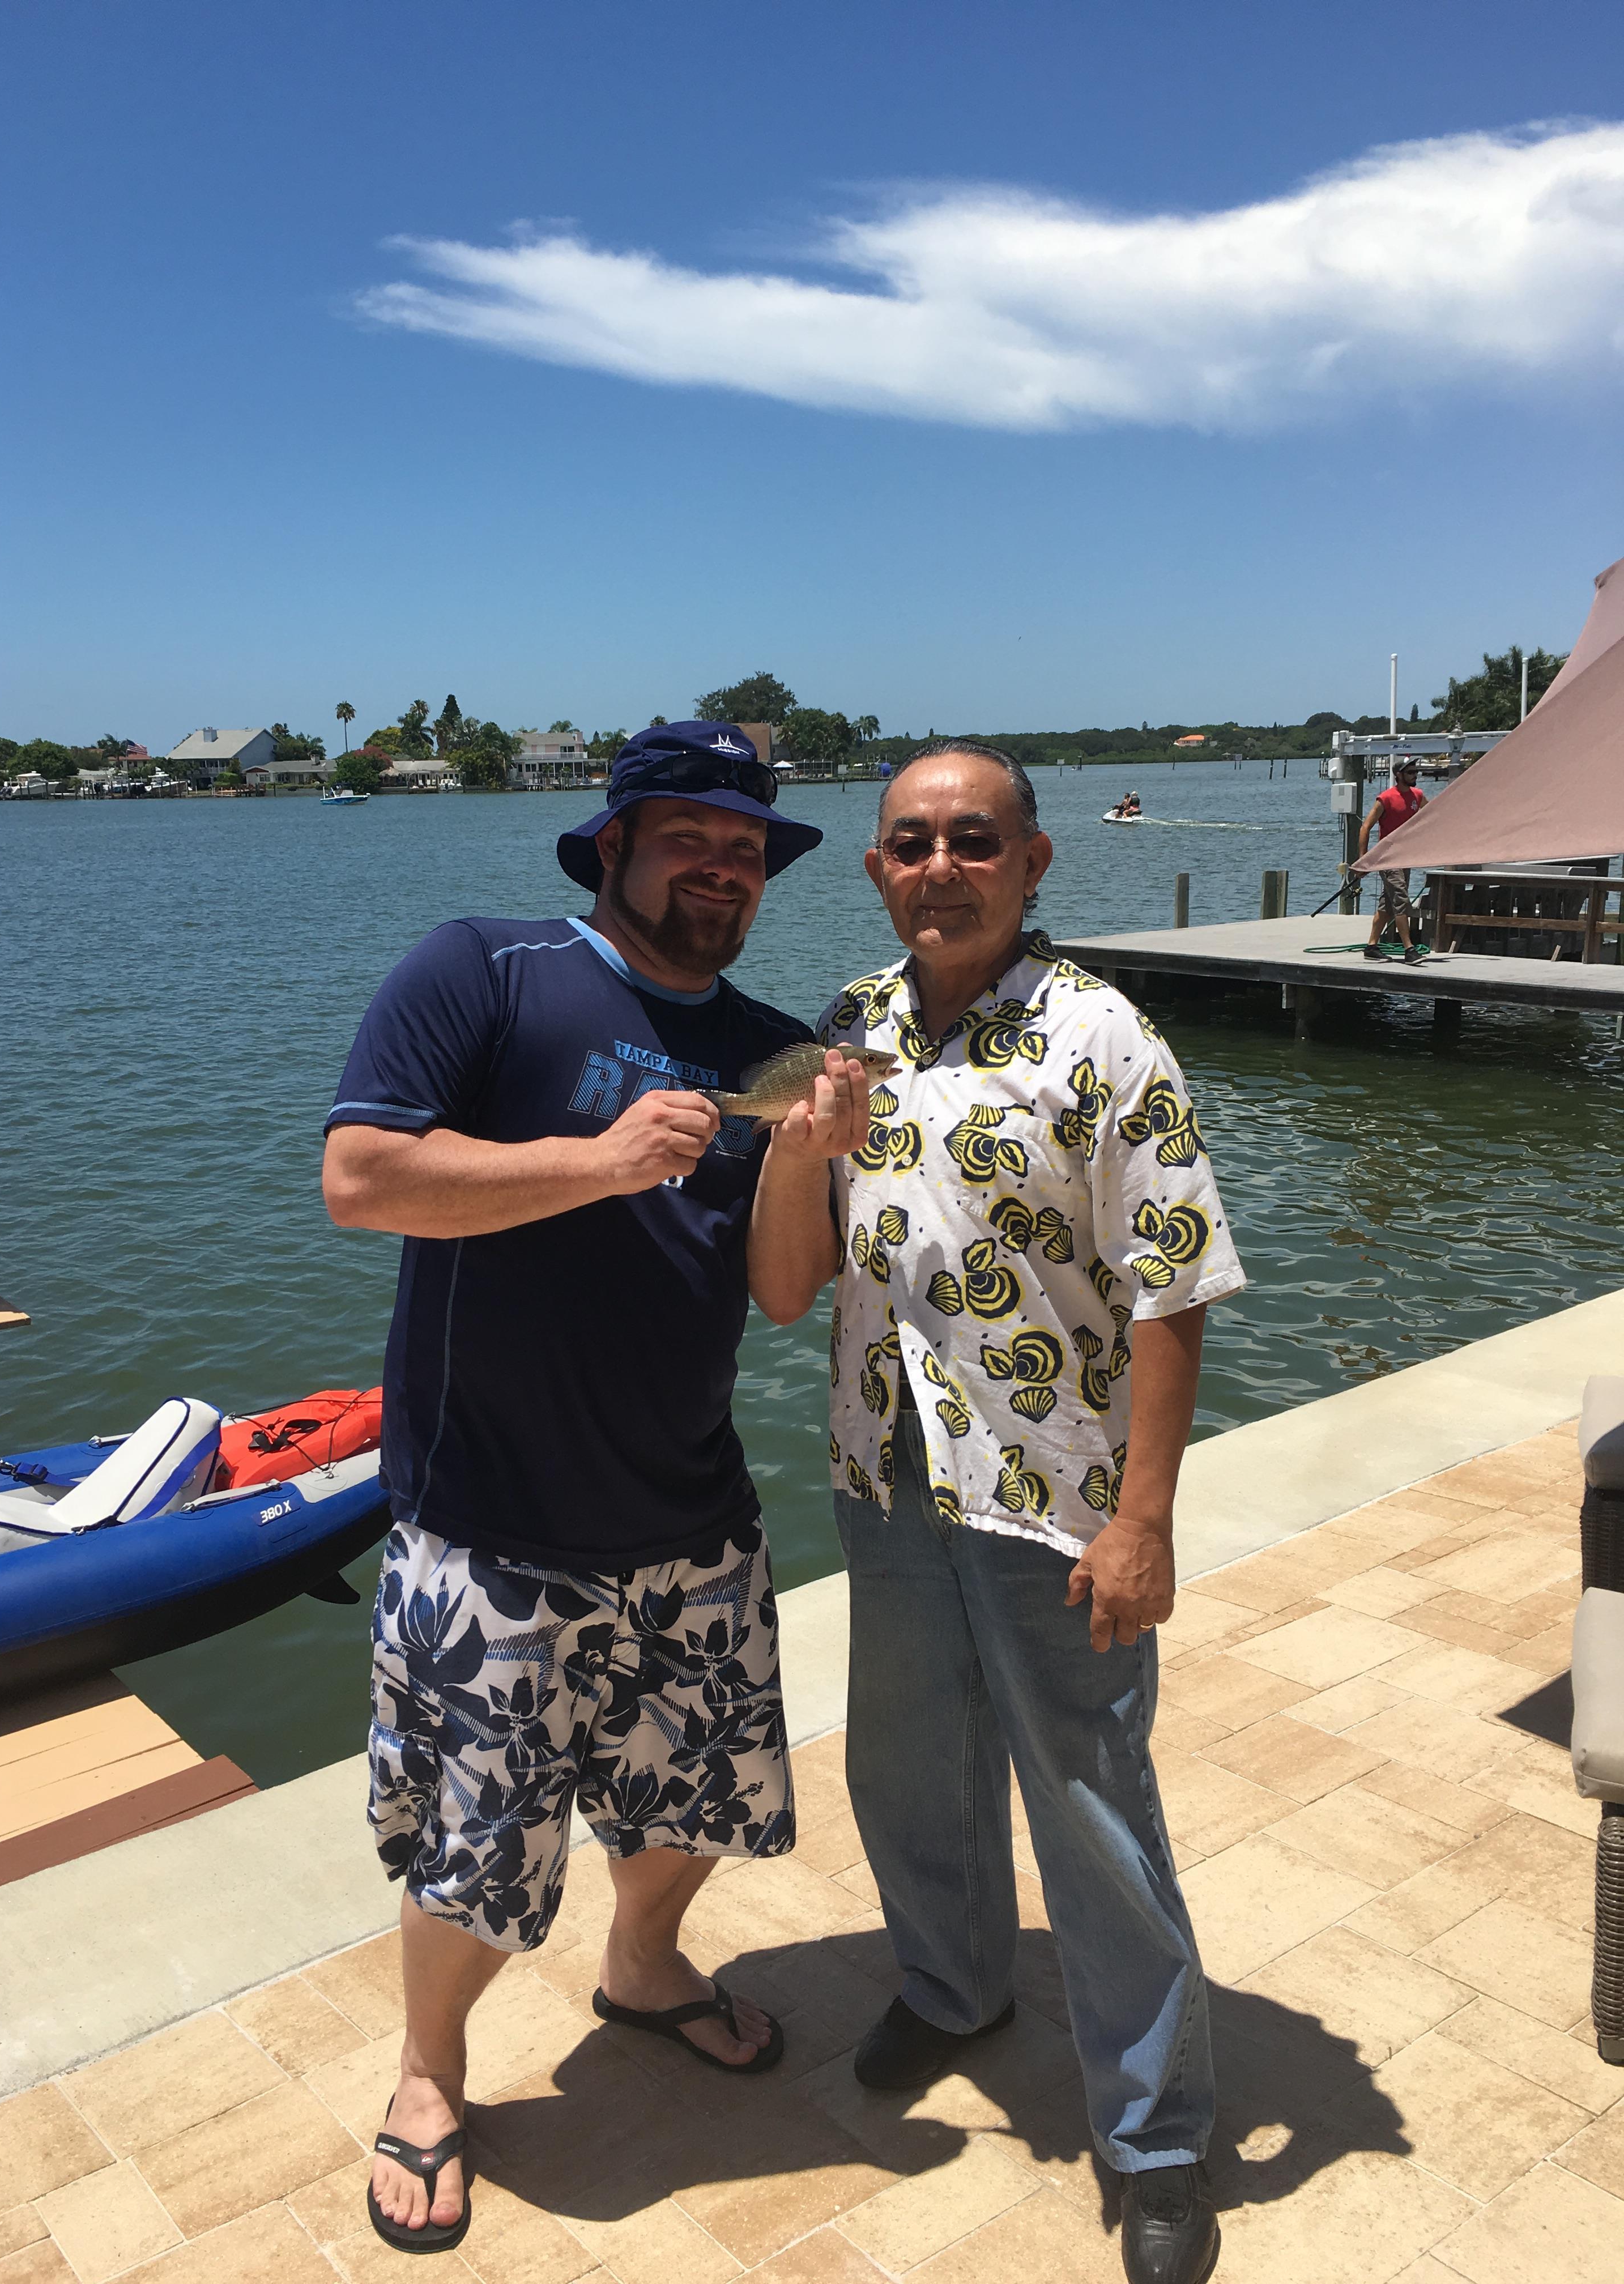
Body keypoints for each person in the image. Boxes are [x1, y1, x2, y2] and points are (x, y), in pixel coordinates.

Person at [323, 721, 834, 2255]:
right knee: (474, 1851)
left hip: (692, 1515)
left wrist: (804, 1153)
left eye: (746, 849)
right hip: (494, 1524)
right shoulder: (483, 971)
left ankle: (646, 1968)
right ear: (611, 846)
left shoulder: (768, 1042)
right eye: (690, 835)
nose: (722, 866)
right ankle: (428, 2072)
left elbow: (788, 1295)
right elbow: (361, 1178)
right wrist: (597, 1160)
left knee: (700, 1803)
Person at [749, 740, 1245, 2284]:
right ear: (879, 868)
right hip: (887, 1478)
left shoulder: (1106, 1040)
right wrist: (798, 1155)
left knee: (1094, 1817)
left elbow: (1174, 1292)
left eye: (975, 840)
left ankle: (1156, 2136)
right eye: (911, 843)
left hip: (1054, 1500)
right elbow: (783, 1291)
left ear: (1033, 864)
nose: (940, 866)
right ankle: (954, 1988)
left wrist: (1145, 1520)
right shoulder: (850, 1032)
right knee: (910, 1772)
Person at [1357, 758, 1428, 961]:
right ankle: (1409, 950)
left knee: (1387, 904)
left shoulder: (1418, 796)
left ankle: (1372, 947)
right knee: (1401, 900)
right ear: (1399, 775)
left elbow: (1432, 816)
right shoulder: (1386, 799)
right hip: (1387, 858)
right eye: (1410, 772)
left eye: (1416, 772)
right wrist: (1364, 860)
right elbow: (1365, 828)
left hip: (1405, 858)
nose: (1415, 775)